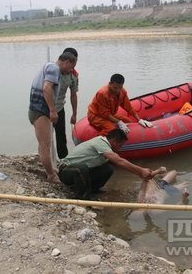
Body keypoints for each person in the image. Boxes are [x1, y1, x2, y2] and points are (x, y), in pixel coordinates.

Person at [58, 128, 154, 199]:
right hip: (66, 171)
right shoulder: (100, 143)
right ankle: (83, 197)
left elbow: (120, 163)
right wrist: (141, 171)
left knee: (108, 168)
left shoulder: (106, 146)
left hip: (79, 172)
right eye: (120, 145)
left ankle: (93, 189)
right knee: (81, 168)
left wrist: (139, 172)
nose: (120, 148)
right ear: (113, 141)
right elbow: (119, 161)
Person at [28, 52, 77, 183]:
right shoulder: (54, 69)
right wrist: (53, 110)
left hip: (36, 110)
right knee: (45, 145)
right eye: (71, 67)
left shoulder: (49, 66)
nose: (71, 71)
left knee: (43, 144)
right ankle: (51, 175)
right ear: (67, 62)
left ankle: (50, 169)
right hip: (40, 111)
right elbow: (46, 88)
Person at [87, 73, 154, 136]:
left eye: (120, 88)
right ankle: (98, 142)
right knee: (111, 129)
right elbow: (104, 113)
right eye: (115, 88)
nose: (118, 90)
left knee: (129, 121)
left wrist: (139, 119)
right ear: (110, 84)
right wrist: (119, 122)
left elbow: (129, 107)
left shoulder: (122, 92)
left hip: (111, 114)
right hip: (96, 115)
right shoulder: (102, 94)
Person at [54, 47, 79, 159]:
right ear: (65, 60)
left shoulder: (73, 75)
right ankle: (49, 161)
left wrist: (74, 114)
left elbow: (73, 95)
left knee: (61, 136)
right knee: (47, 137)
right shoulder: (53, 70)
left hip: (59, 109)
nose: (72, 68)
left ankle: (63, 161)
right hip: (45, 109)